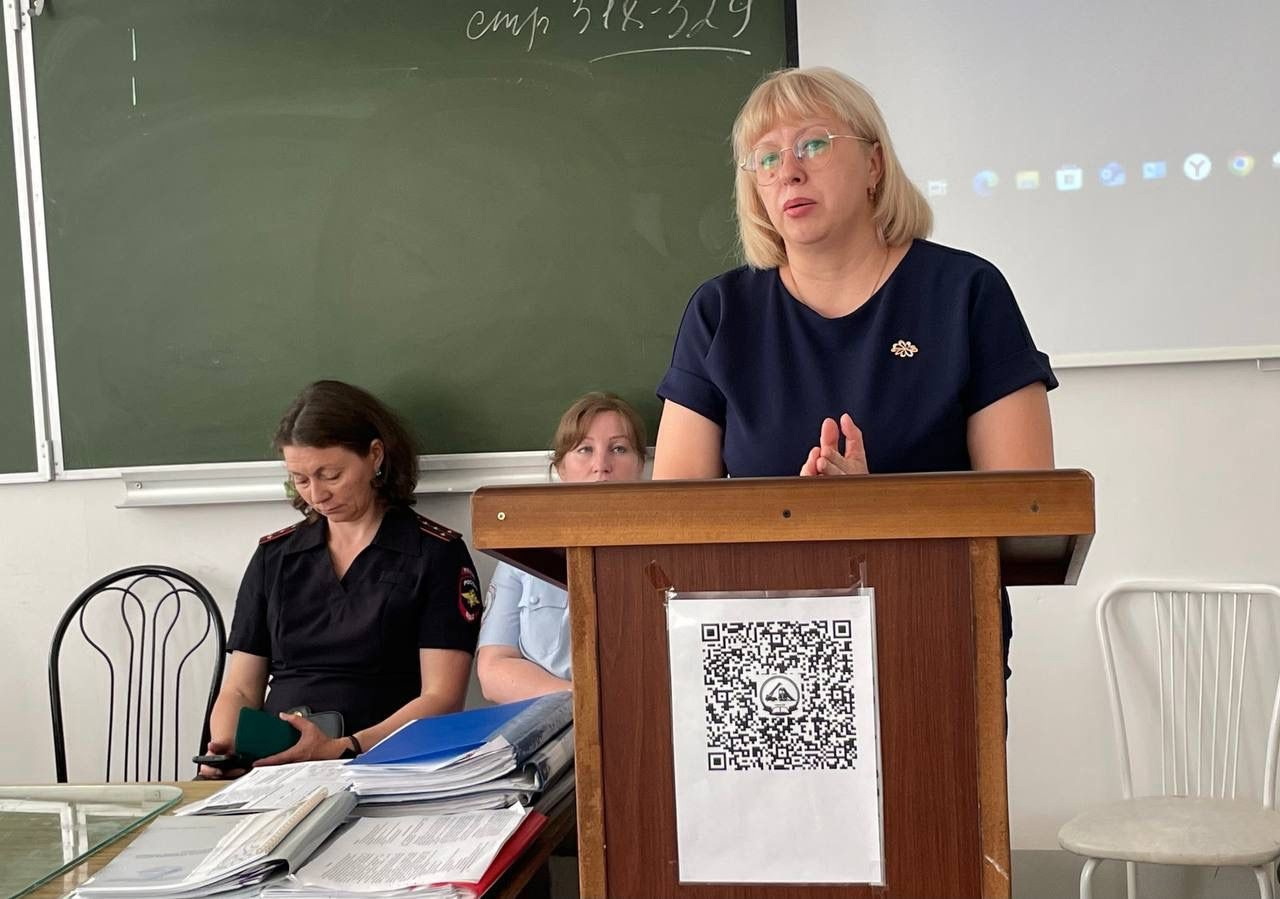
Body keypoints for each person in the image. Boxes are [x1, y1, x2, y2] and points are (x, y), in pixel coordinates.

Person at [652, 67, 1057, 674]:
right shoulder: (721, 312)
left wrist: (876, 510)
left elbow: (1029, 505)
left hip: (934, 633)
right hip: (761, 649)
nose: (788, 171)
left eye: (813, 144)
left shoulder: (966, 292)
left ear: (873, 164)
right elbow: (672, 520)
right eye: (766, 158)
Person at [201, 380, 481, 777]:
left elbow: (442, 698)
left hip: (379, 764)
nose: (317, 494)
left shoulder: (435, 554)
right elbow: (241, 689)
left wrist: (344, 748)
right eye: (300, 479)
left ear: (375, 456)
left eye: (330, 475)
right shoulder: (275, 556)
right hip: (274, 767)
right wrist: (227, 748)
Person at [476, 392, 647, 703]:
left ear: (640, 465)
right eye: (585, 449)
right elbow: (493, 670)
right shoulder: (524, 551)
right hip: (549, 717)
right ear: (561, 468)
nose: (601, 466)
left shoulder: (667, 550)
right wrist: (585, 703)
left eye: (619, 449)